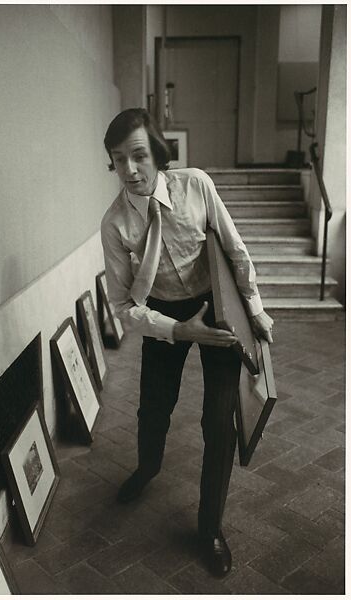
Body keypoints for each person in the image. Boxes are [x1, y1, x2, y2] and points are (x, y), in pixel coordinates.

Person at [101, 108, 273, 578]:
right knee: (153, 408)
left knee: (219, 422)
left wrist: (254, 311)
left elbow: (236, 250)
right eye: (119, 160)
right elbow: (121, 306)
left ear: (157, 152)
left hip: (215, 305)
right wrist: (178, 330)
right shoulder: (115, 225)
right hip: (162, 314)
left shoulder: (196, 185)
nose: (131, 170)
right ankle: (147, 468)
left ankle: (209, 528)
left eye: (138, 155)